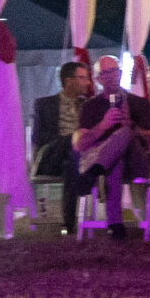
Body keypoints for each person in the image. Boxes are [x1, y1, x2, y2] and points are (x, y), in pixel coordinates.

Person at [72, 55, 150, 237]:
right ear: (98, 79)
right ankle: (116, 225)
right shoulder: (90, 107)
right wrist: (103, 125)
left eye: (114, 71)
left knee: (125, 132)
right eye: (105, 73)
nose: (111, 76)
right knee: (115, 161)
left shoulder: (138, 103)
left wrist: (132, 126)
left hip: (136, 161)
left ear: (120, 73)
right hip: (109, 163)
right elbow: (80, 144)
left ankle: (93, 172)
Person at [30, 61, 92, 233]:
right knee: (73, 143)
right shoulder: (44, 104)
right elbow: (39, 138)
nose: (88, 82)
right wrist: (70, 139)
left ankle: (68, 224)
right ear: (69, 81)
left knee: (71, 162)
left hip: (75, 159)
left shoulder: (88, 105)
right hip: (51, 157)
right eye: (82, 78)